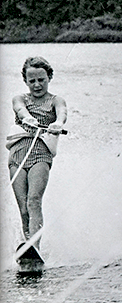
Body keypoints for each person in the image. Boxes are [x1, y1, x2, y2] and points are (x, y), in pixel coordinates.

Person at [8, 57, 67, 249]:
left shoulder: (56, 100)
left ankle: (35, 246)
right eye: (32, 80)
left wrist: (58, 123)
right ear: (25, 81)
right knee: (23, 208)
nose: (37, 84)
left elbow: (62, 113)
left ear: (49, 77)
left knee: (34, 201)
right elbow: (20, 109)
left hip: (41, 153)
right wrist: (27, 118)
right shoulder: (20, 99)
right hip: (17, 154)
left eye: (41, 79)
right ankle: (27, 246)